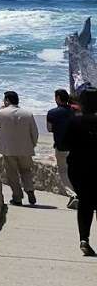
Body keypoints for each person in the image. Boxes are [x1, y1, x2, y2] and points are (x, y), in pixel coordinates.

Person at [0, 89, 39, 206]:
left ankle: (17, 197)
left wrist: (0, 110)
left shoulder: (2, 113)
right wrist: (32, 144)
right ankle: (30, 190)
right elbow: (35, 132)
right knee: (26, 171)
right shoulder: (28, 113)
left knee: (12, 173)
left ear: (7, 100)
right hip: (25, 148)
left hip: (8, 149)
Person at [64, 88, 97, 256]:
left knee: (85, 201)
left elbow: (64, 145)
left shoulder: (74, 122)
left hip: (78, 168)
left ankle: (84, 238)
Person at [46, 89, 77, 208]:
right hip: (76, 147)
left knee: (63, 172)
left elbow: (49, 129)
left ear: (58, 98)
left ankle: (74, 195)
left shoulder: (52, 113)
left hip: (61, 146)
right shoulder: (75, 111)